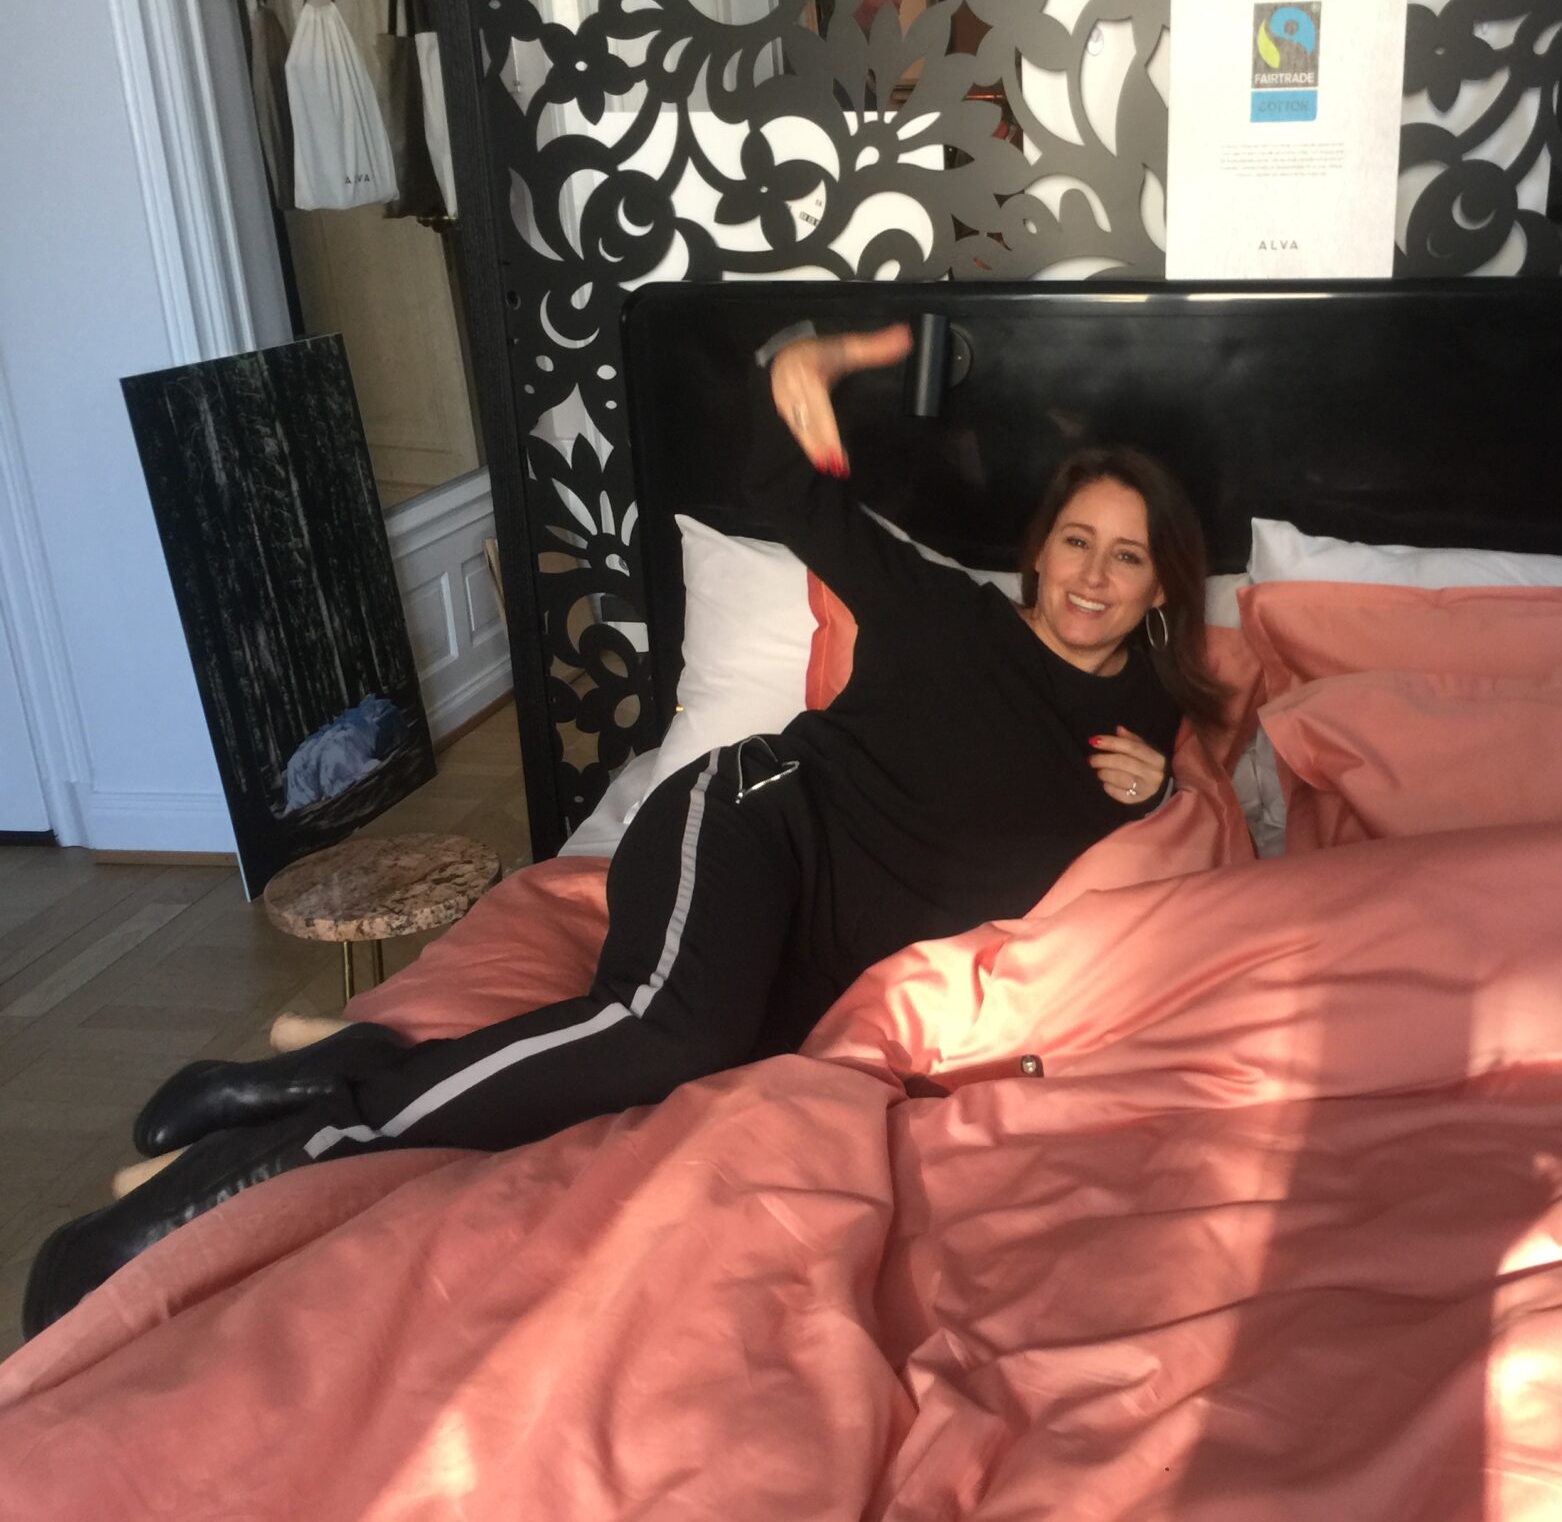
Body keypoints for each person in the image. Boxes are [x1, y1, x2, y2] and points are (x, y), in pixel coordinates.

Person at [23, 323, 1228, 1337]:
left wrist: (1160, 797)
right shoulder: (948, 612)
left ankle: (326, 1070)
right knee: (659, 1031)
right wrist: (796, 378)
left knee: (676, 1077)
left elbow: (1214, 854)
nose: (1091, 576)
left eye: (1126, 557)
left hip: (810, 958)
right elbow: (789, 494)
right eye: (1074, 540)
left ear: (1163, 584)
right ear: (1038, 548)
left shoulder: (1152, 720)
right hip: (750, 820)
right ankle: (238, 1179)